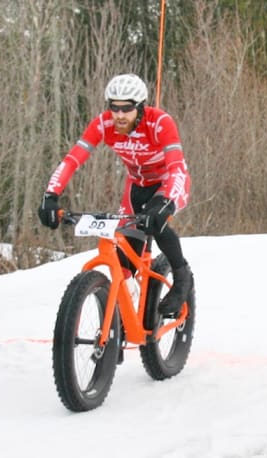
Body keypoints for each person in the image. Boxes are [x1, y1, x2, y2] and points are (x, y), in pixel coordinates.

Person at [37, 73, 193, 316]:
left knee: (157, 224)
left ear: (140, 107)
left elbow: (176, 167)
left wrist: (167, 203)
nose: (119, 115)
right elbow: (72, 159)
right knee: (125, 253)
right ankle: (123, 316)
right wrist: (50, 195)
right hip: (136, 185)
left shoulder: (160, 122)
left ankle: (182, 279)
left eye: (127, 108)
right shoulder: (103, 124)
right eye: (114, 107)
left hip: (168, 182)